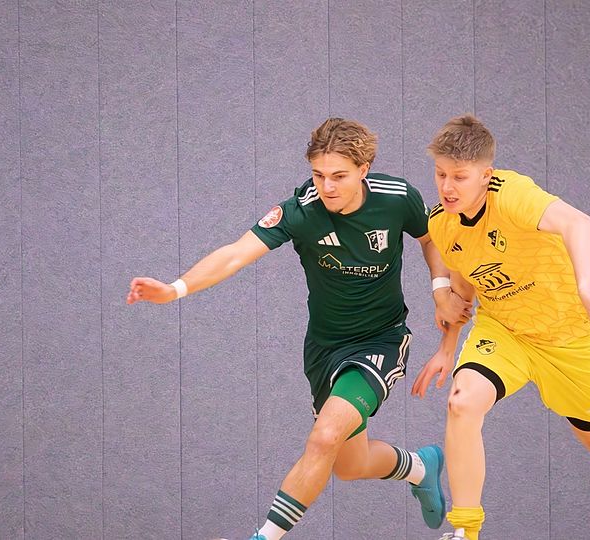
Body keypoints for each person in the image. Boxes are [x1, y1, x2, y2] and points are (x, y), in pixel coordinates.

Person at [128, 118, 471, 540]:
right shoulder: (301, 210)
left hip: (380, 340)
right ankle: (420, 467)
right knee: (350, 465)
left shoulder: (397, 197)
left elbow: (431, 238)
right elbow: (235, 253)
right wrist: (174, 289)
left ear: (364, 169)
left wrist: (440, 289)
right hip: (324, 349)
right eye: (319, 175)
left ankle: (264, 537)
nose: (327, 186)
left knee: (324, 437)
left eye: (339, 176)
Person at [411, 114, 590, 540]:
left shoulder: (512, 194)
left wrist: (585, 286)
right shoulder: (442, 222)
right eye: (441, 174)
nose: (447, 187)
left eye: (459, 177)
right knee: (462, 403)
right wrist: (447, 347)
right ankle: (465, 531)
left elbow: (578, 223)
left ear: (485, 176)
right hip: (504, 331)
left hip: (567, 335)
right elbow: (464, 289)